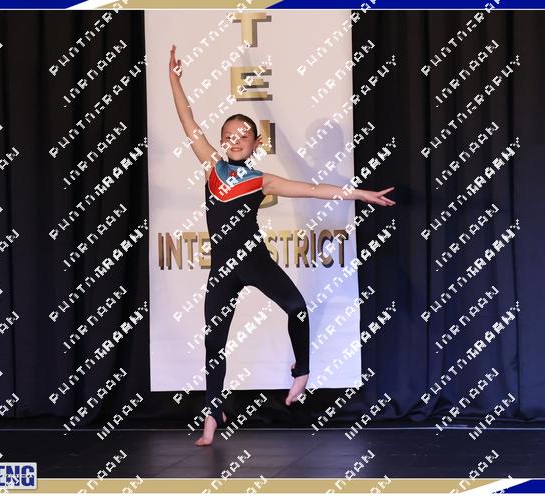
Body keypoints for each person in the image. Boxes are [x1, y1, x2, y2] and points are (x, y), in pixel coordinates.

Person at [168, 45, 396, 446]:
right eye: (229, 136)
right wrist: (174, 78)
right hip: (222, 268)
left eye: (243, 136)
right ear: (221, 141)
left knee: (296, 307)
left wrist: (360, 194)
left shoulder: (262, 180)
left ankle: (301, 371)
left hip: (254, 260)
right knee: (213, 341)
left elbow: (313, 189)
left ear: (256, 143)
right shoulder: (211, 168)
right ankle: (212, 413)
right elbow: (188, 121)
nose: (235, 140)